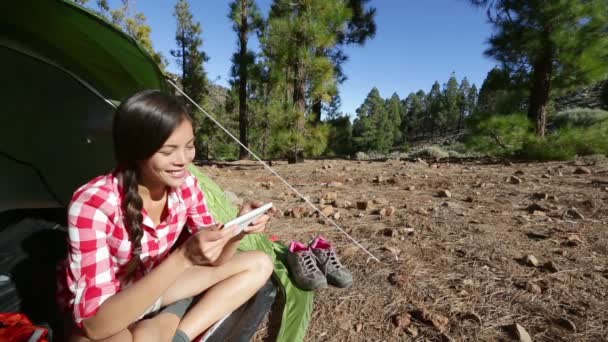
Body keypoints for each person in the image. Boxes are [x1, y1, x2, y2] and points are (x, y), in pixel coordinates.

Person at [57, 90, 274, 342]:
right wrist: (182, 258)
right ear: (136, 150)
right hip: (111, 307)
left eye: (190, 146)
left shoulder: (186, 185)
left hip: (158, 283)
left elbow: (216, 260)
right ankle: (159, 325)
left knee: (260, 263)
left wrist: (237, 231)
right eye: (168, 151)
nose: (183, 160)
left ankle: (180, 336)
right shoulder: (93, 203)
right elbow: (95, 326)